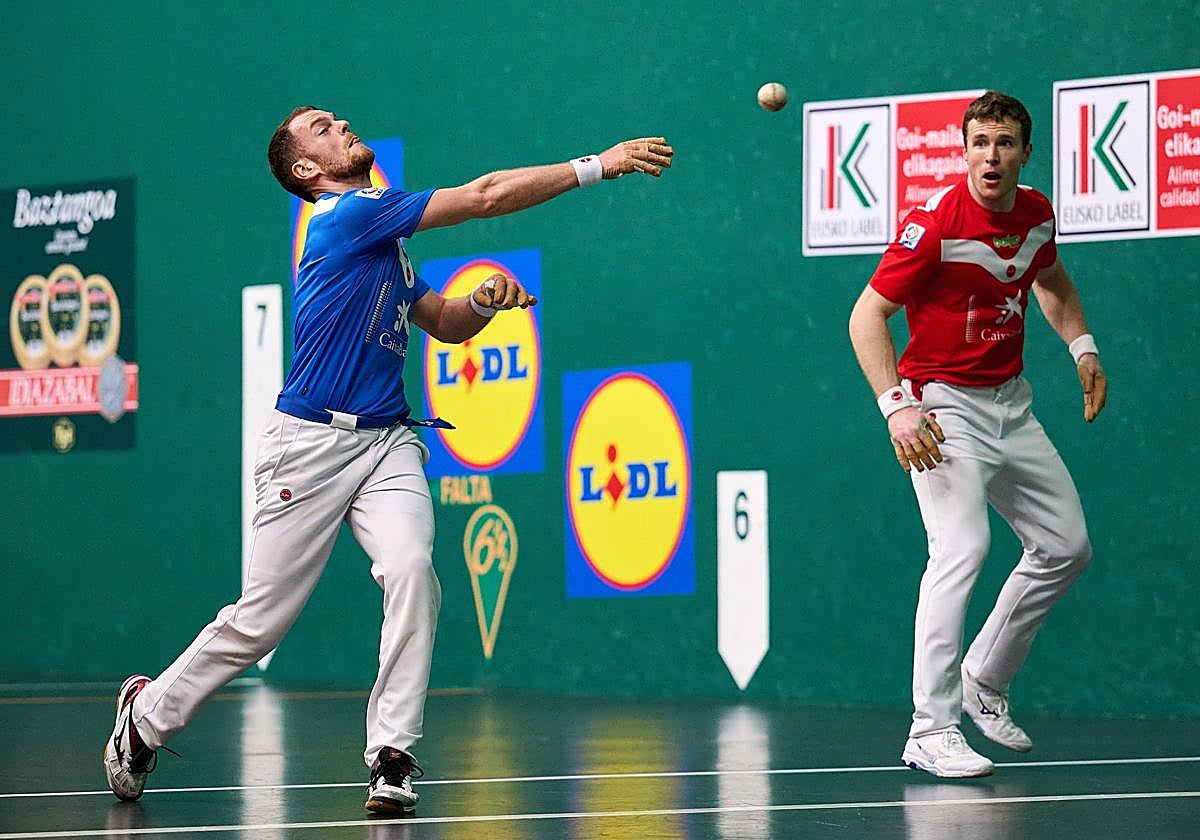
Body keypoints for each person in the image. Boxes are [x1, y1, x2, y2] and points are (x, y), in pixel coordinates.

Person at [103, 105, 673, 813]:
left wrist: (485, 301)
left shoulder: (384, 241)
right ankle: (147, 715)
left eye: (334, 117)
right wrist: (597, 164)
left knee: (410, 569)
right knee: (261, 620)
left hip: (385, 442)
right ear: (306, 170)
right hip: (307, 444)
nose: (338, 122)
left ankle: (391, 756)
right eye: (319, 126)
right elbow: (486, 196)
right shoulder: (345, 216)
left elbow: (443, 323)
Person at [848, 91, 1107, 779]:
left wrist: (1082, 347)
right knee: (961, 546)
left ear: (1025, 152)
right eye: (979, 143)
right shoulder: (933, 223)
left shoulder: (1035, 214)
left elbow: (1050, 282)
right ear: (964, 149)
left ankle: (984, 678)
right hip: (942, 409)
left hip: (1011, 406)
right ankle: (929, 730)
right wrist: (897, 408)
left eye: (1004, 144)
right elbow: (866, 317)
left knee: (1066, 546)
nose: (990, 156)